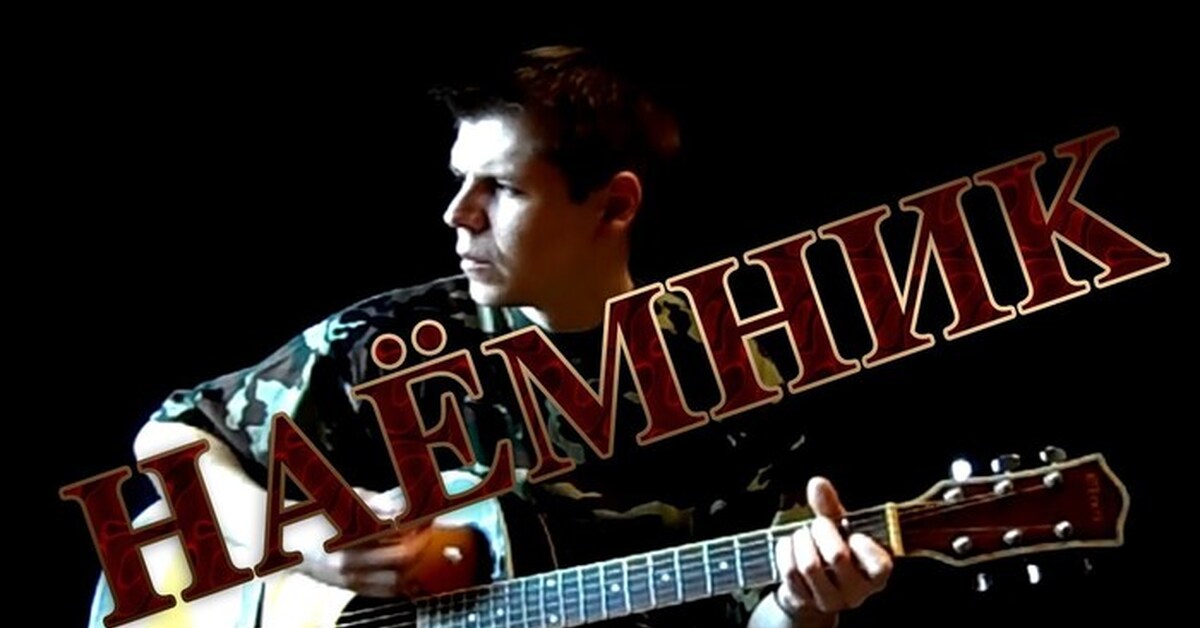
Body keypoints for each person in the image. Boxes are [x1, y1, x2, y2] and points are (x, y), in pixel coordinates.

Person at [124, 45, 891, 627]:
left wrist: (804, 604)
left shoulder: (730, 387)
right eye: (460, 179)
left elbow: (757, 617)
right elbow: (171, 439)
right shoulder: (397, 340)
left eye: (503, 187)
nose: (457, 214)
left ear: (614, 207)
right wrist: (302, 543)